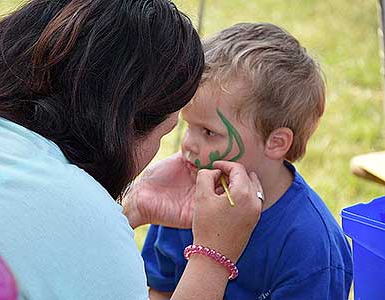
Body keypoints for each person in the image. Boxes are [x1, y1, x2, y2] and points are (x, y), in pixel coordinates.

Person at [0, 1, 263, 299]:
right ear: (124, 124)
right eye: (165, 133)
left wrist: (131, 208)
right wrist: (213, 257)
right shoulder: (89, 233)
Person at [140, 23, 354, 299]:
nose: (187, 144)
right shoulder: (185, 202)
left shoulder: (311, 245)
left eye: (208, 132)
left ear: (276, 143)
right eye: (188, 126)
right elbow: (160, 290)